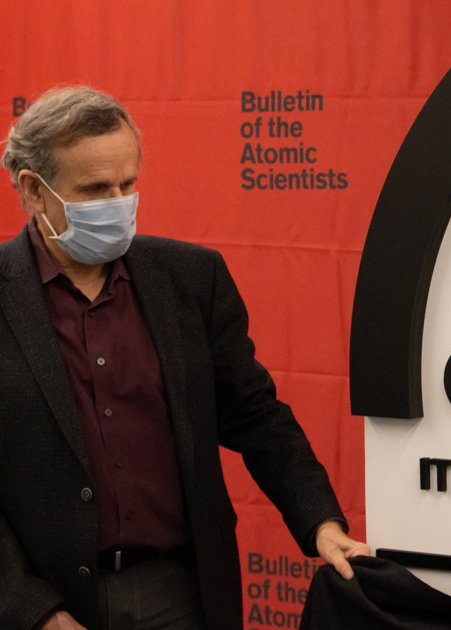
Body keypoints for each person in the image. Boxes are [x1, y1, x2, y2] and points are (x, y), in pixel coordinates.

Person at [0, 86, 370, 629]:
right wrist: (33, 610)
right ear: (33, 189)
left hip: (182, 593)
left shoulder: (192, 278)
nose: (118, 202)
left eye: (128, 184)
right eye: (96, 189)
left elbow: (255, 414)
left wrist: (320, 522)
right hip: (48, 601)